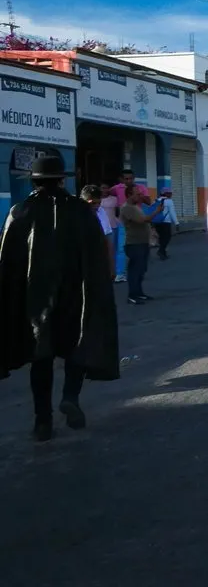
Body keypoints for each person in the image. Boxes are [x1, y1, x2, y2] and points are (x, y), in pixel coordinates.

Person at [0, 154, 119, 441]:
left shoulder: (21, 211)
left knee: (41, 357)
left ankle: (43, 421)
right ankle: (70, 396)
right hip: (74, 295)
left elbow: (7, 262)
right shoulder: (80, 211)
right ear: (62, 179)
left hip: (36, 299)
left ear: (34, 181)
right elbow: (96, 256)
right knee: (75, 346)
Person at [121, 184, 163, 305]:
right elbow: (143, 220)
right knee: (135, 271)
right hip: (134, 243)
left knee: (141, 270)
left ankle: (139, 293)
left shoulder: (136, 207)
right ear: (129, 195)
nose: (139, 196)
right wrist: (157, 211)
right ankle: (132, 295)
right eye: (137, 194)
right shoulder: (127, 208)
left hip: (142, 242)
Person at [110, 169, 136, 283]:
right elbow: (108, 193)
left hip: (136, 222)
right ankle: (120, 273)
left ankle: (135, 272)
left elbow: (148, 201)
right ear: (121, 179)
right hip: (122, 223)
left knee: (136, 248)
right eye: (126, 178)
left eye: (131, 178)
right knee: (121, 249)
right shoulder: (116, 188)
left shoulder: (139, 188)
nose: (129, 181)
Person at [81, 185, 114, 265]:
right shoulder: (77, 214)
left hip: (99, 256)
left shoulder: (101, 211)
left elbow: (107, 237)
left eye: (99, 203)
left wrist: (111, 265)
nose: (96, 206)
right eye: (93, 203)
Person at [152, 188, 178, 260]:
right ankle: (161, 251)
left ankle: (163, 253)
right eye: (170, 193)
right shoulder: (169, 201)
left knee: (161, 238)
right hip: (166, 222)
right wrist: (176, 223)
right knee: (167, 237)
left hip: (157, 222)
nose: (171, 194)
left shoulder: (156, 200)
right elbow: (172, 213)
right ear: (166, 194)